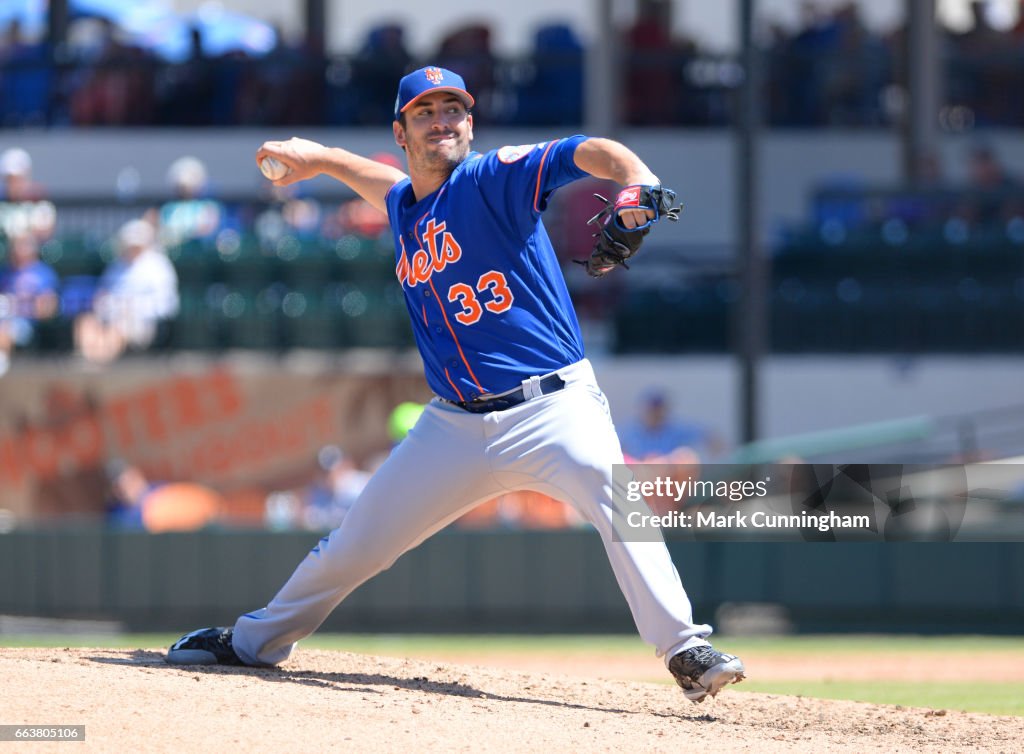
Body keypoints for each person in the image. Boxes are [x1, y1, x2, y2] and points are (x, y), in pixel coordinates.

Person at [166, 66, 745, 703]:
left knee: (623, 513)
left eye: (454, 110)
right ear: (402, 131)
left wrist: (640, 182)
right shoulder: (405, 204)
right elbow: (381, 181)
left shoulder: (496, 176)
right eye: (425, 112)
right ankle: (253, 644)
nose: (443, 121)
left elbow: (593, 151)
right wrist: (321, 158)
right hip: (453, 425)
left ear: (470, 123)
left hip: (553, 405)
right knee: (357, 543)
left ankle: (686, 647)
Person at [73, 218, 179, 364]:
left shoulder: (159, 265)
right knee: (86, 322)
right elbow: (103, 296)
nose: (133, 249)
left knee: (118, 329)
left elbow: (168, 304)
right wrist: (112, 307)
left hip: (144, 323)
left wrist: (134, 307)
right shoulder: (116, 266)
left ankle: (96, 369)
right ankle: (89, 365)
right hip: (111, 317)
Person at [0, 230, 59, 376]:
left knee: (4, 331)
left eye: (23, 245)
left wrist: (22, 305)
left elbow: (48, 309)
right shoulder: (5, 273)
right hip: (3, 318)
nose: (18, 250)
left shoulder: (43, 273)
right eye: (16, 245)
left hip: (26, 324)